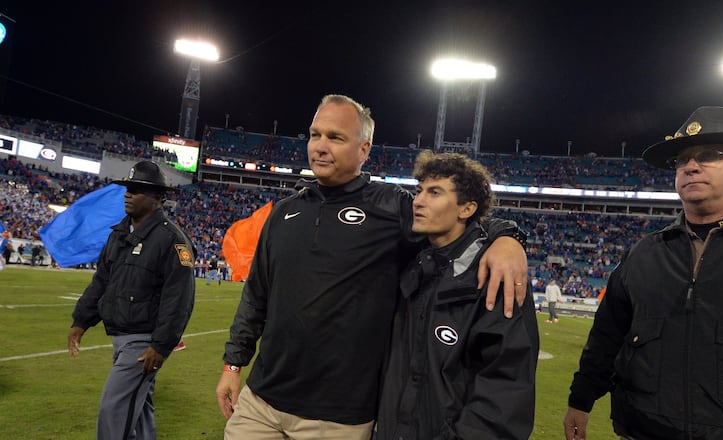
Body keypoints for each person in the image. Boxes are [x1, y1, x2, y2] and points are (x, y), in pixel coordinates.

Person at [217, 95, 529, 439]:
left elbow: (457, 221)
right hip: (261, 402)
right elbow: (256, 294)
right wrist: (234, 363)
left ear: (364, 150)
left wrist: (507, 237)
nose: (320, 146)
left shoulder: (392, 207)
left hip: (338, 419)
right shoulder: (284, 212)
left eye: (335, 137)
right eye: (315, 134)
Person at [564, 106, 723, 439]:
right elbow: (606, 338)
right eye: (681, 161)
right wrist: (580, 400)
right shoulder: (643, 254)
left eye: (709, 155)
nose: (691, 166)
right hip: (644, 431)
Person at [376, 151, 539, 439]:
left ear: (466, 209)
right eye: (419, 191)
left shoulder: (496, 275)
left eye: (434, 193)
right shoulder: (412, 261)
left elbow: (504, 388)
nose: (419, 201)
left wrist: (507, 239)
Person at [67, 160, 196, 440]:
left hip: (143, 343)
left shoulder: (172, 240)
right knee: (140, 411)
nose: (128, 194)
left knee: (114, 410)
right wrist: (81, 320)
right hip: (119, 337)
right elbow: (101, 281)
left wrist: (161, 345)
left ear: (158, 197)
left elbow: (179, 298)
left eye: (137, 190)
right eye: (128, 188)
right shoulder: (119, 234)